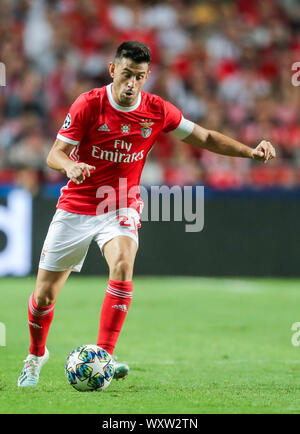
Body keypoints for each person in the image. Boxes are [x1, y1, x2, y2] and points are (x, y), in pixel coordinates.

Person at [18, 40, 276, 387]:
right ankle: (35, 356)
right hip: (76, 205)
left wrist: (251, 153)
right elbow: (55, 153)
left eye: (139, 77)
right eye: (126, 75)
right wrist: (70, 165)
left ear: (147, 75)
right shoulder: (88, 105)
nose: (131, 84)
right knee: (44, 297)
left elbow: (204, 136)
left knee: (123, 261)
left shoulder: (156, 110)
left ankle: (104, 359)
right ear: (112, 70)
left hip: (120, 203)